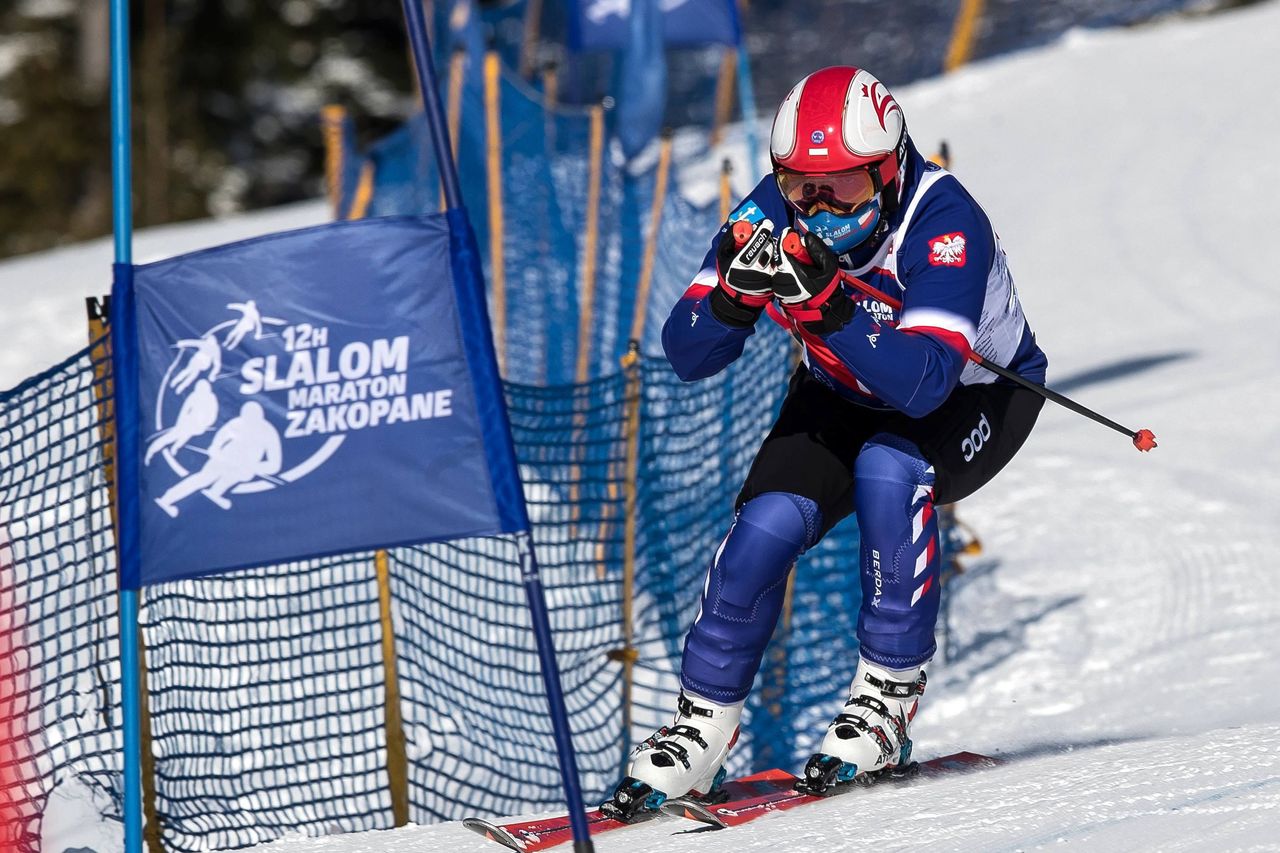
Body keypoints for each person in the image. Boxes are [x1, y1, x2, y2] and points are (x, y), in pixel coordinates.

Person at [608, 66, 1048, 813]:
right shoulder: (773, 212)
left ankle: (886, 699)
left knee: (887, 469)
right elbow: (684, 352)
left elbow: (924, 386)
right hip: (843, 386)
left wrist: (826, 304)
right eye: (798, 184)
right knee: (766, 523)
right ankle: (702, 725)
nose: (814, 206)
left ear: (888, 168)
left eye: (839, 187)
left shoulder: (943, 221)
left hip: (975, 395)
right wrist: (730, 299)